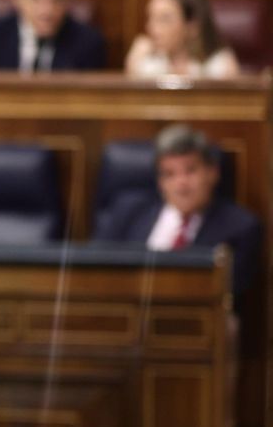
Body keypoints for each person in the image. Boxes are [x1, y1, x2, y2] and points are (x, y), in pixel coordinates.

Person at [94, 124, 259, 297]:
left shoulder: (241, 228)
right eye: (169, 174)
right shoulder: (127, 210)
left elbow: (226, 292)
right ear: (160, 182)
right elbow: (97, 270)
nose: (181, 183)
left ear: (212, 172)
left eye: (190, 170)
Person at [125, 0, 239, 79]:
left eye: (164, 19)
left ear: (192, 25)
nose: (151, 28)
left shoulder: (219, 65)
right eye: (151, 17)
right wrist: (133, 66)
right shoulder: (145, 60)